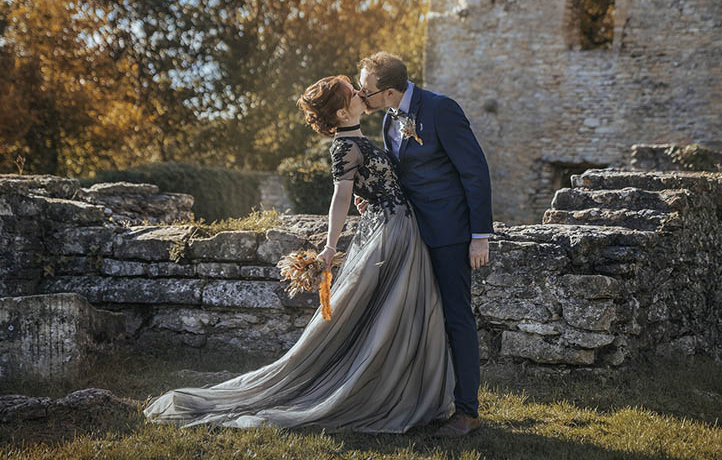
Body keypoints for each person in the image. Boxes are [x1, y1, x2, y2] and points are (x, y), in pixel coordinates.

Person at [142, 75, 455, 433]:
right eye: (353, 92)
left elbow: (371, 183)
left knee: (402, 312)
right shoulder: (344, 146)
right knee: (387, 313)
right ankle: (373, 392)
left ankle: (406, 390)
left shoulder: (357, 138)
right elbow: (339, 198)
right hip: (391, 232)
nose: (360, 93)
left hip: (398, 225)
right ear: (341, 111)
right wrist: (329, 246)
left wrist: (369, 193)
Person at [356, 52, 493, 437]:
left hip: (451, 234)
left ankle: (467, 411)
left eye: (365, 90)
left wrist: (479, 235)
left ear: (387, 91)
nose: (360, 95)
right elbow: (403, 176)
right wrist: (376, 196)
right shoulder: (387, 121)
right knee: (417, 316)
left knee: (457, 318)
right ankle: (424, 401)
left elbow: (475, 171)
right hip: (412, 233)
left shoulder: (441, 109)